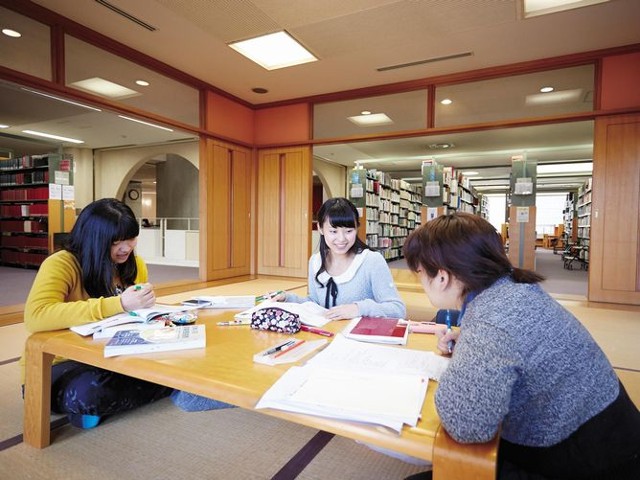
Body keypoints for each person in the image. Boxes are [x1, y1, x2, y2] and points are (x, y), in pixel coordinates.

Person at [402, 212, 640, 479]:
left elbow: (466, 426)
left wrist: (463, 362)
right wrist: (470, 344)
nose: (420, 281)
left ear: (442, 277)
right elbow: (517, 344)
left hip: (582, 460)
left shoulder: (491, 321)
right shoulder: (514, 290)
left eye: (420, 273)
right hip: (609, 435)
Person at [21, 198, 172, 429]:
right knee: (92, 392)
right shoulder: (62, 263)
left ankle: (161, 384)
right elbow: (36, 315)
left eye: (131, 238)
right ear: (93, 240)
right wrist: (118, 304)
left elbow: (136, 318)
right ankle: (168, 386)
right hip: (60, 362)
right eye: (116, 242)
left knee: (177, 359)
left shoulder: (135, 264)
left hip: (111, 354)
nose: (127, 248)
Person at [280, 197, 406, 320]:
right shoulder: (315, 261)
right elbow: (315, 303)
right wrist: (288, 299)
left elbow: (398, 310)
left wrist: (358, 309)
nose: (341, 239)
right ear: (320, 229)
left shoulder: (372, 261)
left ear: (357, 228)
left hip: (359, 338)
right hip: (328, 336)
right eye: (333, 231)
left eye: (349, 231)